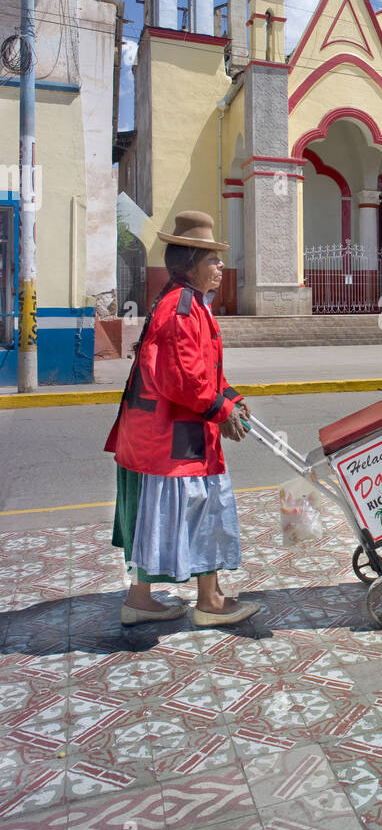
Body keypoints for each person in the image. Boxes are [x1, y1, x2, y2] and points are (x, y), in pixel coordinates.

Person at [105, 211, 261, 628]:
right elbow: (185, 380)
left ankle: (141, 599)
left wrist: (230, 397)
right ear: (189, 262)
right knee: (199, 509)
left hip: (160, 434)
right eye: (212, 258)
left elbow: (205, 372)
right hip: (170, 438)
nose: (220, 266)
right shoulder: (182, 308)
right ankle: (209, 603)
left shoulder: (188, 304)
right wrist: (219, 409)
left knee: (159, 517)